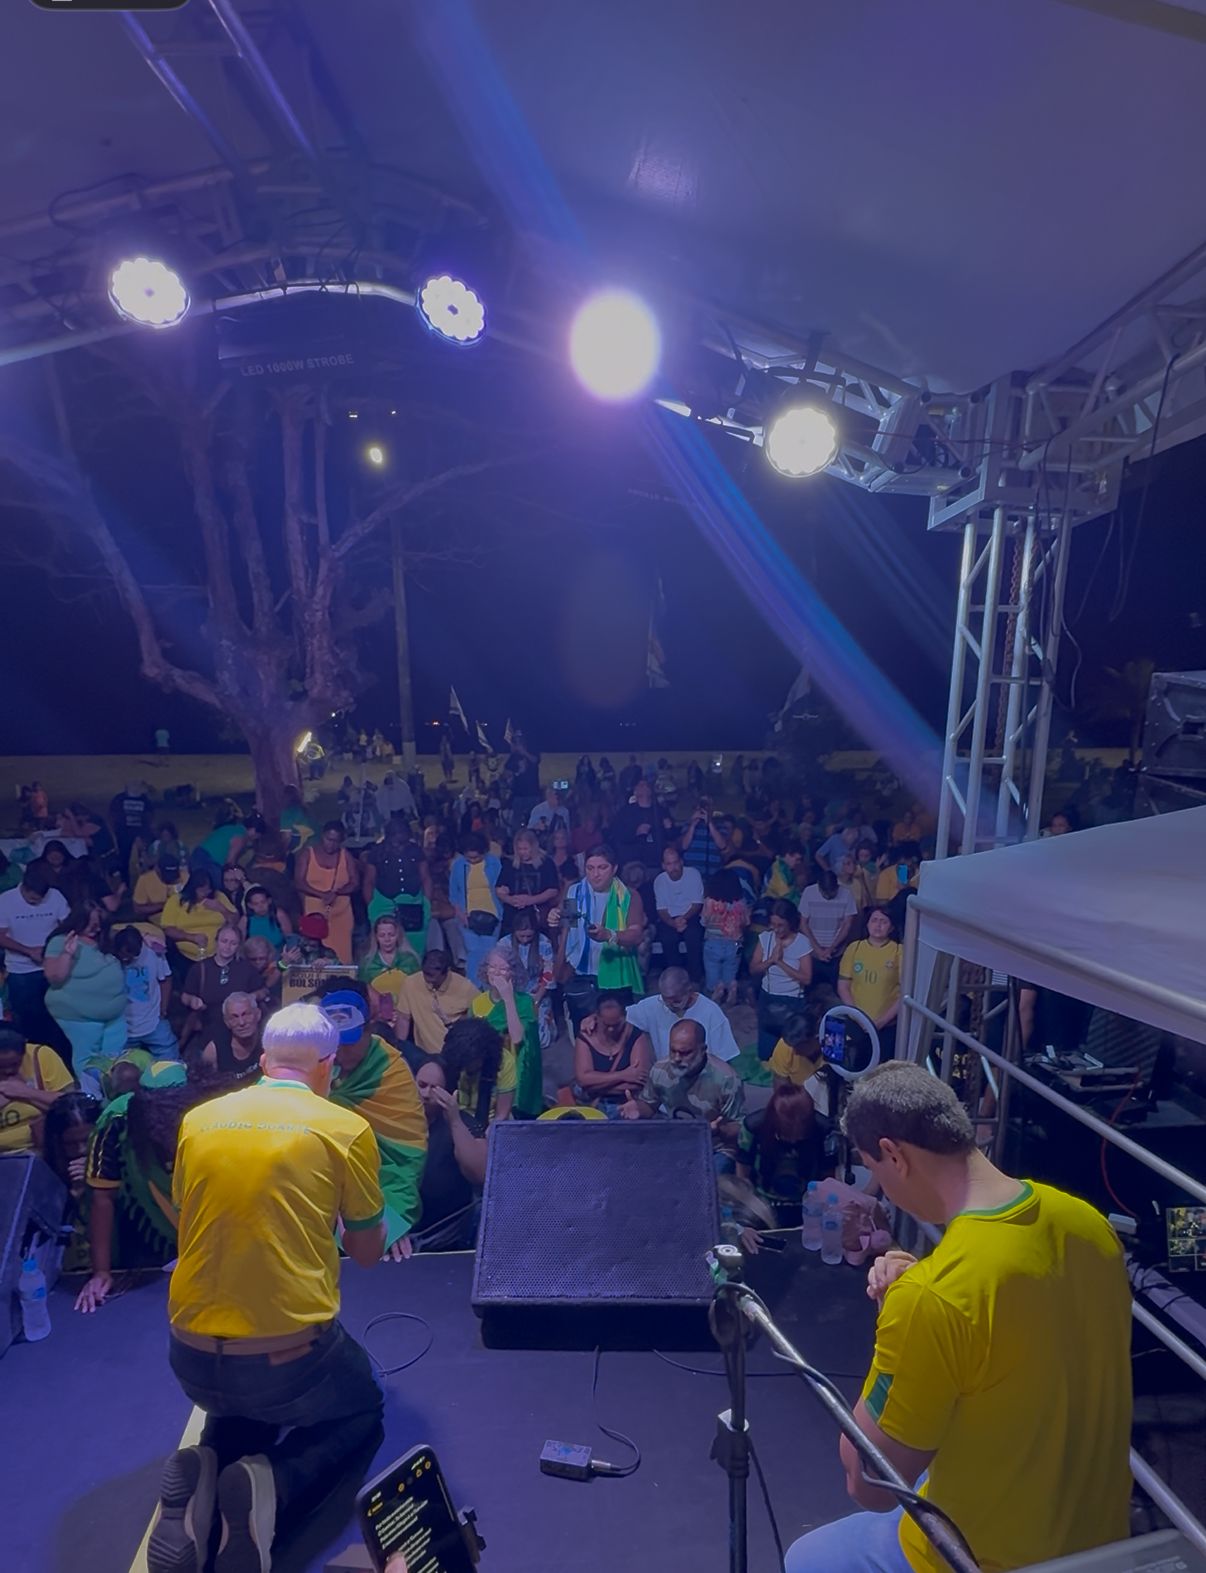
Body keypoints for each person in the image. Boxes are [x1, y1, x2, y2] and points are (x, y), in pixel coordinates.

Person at [784, 1062, 1132, 1573]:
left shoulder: (930, 1298)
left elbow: (869, 1484)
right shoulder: (1089, 1224)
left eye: (874, 1169)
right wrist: (922, 1292)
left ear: (894, 1155)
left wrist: (899, 1320)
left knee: (806, 1558)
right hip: (1101, 1542)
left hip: (985, 1558)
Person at [150, 1004, 386, 1573]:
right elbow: (367, 1253)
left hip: (189, 1357)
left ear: (262, 1062)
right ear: (328, 1066)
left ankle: (207, 1470)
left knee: (240, 1408)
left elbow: (190, 1218)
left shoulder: (198, 1121)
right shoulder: (345, 1129)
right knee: (363, 1407)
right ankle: (274, 1484)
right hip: (289, 1362)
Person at [74, 1061, 223, 1312]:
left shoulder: (215, 1114)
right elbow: (102, 1197)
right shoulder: (116, 1120)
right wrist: (101, 1272)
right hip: (147, 1231)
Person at [316, 982, 427, 1259]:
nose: (342, 1052)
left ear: (368, 1029)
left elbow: (405, 1155)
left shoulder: (390, 1070)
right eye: (334, 1044)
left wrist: (387, 1220)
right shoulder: (307, 1066)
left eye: (350, 1041)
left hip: (379, 1194)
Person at [621, 1019, 744, 1173]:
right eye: (673, 1051)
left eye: (685, 1053)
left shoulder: (727, 1079)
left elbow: (740, 1129)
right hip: (676, 1142)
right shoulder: (660, 1070)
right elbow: (650, 1105)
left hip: (715, 1148)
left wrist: (718, 1129)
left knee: (708, 1180)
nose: (677, 1058)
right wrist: (639, 1108)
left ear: (702, 1050)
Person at [555, 844, 645, 1031]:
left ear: (614, 868)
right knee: (584, 1034)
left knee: (617, 1032)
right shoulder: (574, 891)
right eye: (590, 868)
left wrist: (610, 935)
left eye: (602, 868)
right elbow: (568, 928)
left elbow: (636, 935)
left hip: (616, 974)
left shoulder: (629, 895)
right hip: (581, 972)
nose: (595, 874)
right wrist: (555, 918)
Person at [43, 901, 128, 1098]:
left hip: (114, 1016)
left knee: (114, 1059)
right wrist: (67, 954)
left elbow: (128, 932)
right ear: (79, 920)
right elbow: (55, 977)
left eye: (99, 924)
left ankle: (112, 1098)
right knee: (88, 1060)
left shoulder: (105, 939)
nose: (95, 929)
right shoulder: (60, 941)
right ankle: (91, 1100)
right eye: (91, 924)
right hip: (79, 1016)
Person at [412, 1056, 489, 1250]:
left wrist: (454, 1120)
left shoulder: (464, 1123)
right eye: (421, 1085)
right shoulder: (396, 1118)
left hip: (446, 1238)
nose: (426, 1094)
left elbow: (480, 1174)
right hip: (399, 1232)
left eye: (434, 1088)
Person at [0, 860, 71, 1057]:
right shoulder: (5, 901)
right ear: (24, 887)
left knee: (59, 1019)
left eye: (40, 900)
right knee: (29, 1021)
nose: (36, 903)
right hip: (21, 972)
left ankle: (61, 1060)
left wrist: (51, 949)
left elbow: (67, 925)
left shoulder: (56, 896)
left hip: (53, 967)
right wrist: (28, 951)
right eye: (32, 899)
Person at [737, 1082, 825, 1225]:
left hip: (807, 1203)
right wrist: (751, 1204)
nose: (796, 1127)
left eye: (802, 1122)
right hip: (763, 1201)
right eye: (790, 1124)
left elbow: (829, 1177)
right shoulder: (753, 1126)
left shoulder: (823, 1129)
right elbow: (742, 1172)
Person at [472, 945, 542, 1119]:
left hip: (515, 1073)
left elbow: (518, 1038)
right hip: (487, 1072)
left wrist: (508, 999)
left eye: (503, 969)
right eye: (492, 967)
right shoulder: (477, 1002)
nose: (496, 973)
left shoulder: (525, 1002)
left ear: (513, 973)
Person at [617, 966, 741, 1063]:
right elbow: (621, 1016)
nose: (670, 1005)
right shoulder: (654, 1005)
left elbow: (725, 1057)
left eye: (676, 1001)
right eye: (665, 1000)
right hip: (668, 1075)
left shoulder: (711, 1012)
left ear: (689, 990)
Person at [180, 924, 263, 1053]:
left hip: (240, 1033)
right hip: (209, 1033)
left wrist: (252, 997)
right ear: (216, 941)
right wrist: (192, 1001)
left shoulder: (247, 969)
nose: (227, 947)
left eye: (233, 943)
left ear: (238, 946)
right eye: (224, 941)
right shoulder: (200, 968)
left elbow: (263, 991)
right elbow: (185, 996)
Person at [751, 899, 813, 1061]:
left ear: (790, 923)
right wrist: (771, 960)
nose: (776, 929)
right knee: (766, 1054)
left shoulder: (802, 942)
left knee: (793, 1053)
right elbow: (754, 969)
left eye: (781, 925)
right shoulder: (765, 938)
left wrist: (780, 962)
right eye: (773, 924)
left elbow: (806, 978)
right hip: (768, 998)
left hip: (792, 1001)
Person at [839, 906, 903, 1059]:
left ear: (891, 927)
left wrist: (882, 1021)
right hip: (856, 1023)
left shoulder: (899, 951)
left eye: (884, 922)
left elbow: (904, 993)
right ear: (867, 924)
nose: (878, 925)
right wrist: (857, 1016)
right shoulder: (854, 948)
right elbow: (843, 985)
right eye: (874, 920)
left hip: (886, 1026)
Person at [573, 994, 653, 1115]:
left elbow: (637, 1082)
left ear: (624, 1017)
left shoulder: (635, 1036)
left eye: (616, 1025)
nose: (611, 1030)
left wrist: (594, 1086)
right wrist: (624, 1075)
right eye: (606, 1025)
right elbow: (583, 1079)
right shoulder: (586, 1038)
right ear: (596, 1018)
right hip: (594, 1105)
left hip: (625, 1104)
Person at [0, 1024, 74, 1153]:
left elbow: (73, 1105)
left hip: (40, 1149)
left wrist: (25, 1092)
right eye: (1, 1066)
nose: (8, 1071)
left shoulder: (40, 1055)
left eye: (15, 1064)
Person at [360, 817, 431, 948]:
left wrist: (426, 904)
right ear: (389, 836)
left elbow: (425, 878)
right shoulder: (376, 852)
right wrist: (372, 906)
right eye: (395, 840)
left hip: (413, 903)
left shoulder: (416, 851)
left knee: (414, 943)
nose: (398, 846)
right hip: (383, 903)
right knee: (385, 943)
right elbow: (369, 881)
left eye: (402, 841)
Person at [295, 821, 359, 965]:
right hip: (314, 912)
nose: (332, 844)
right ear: (322, 836)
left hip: (341, 913)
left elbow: (355, 883)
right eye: (329, 839)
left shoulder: (346, 856)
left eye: (336, 841)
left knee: (343, 954)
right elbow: (299, 882)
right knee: (314, 952)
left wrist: (337, 892)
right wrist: (321, 894)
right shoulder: (307, 854)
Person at [395, 949, 479, 1057]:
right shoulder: (410, 983)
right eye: (425, 975)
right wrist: (399, 1050)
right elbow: (403, 1018)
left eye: (433, 978)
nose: (429, 982)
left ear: (447, 972)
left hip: (456, 1055)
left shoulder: (466, 988)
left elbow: (480, 1017)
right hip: (425, 1055)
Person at [112, 926, 178, 1060]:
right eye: (123, 956)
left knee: (172, 1061)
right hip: (122, 1028)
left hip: (154, 1021)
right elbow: (108, 930)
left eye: (131, 956)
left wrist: (163, 1009)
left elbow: (166, 979)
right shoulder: (109, 958)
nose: (126, 959)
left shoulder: (154, 952)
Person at [449, 831, 503, 987]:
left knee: (489, 953)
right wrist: (460, 913)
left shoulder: (494, 863)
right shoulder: (458, 865)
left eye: (476, 857)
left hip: (493, 915)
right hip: (467, 917)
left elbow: (501, 886)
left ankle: (489, 988)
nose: (472, 860)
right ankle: (472, 989)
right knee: (473, 953)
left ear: (484, 852)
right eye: (469, 857)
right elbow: (453, 894)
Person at [442, 1013, 515, 1125]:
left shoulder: (505, 1061)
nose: (467, 1066)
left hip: (491, 1124)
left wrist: (482, 1134)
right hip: (456, 1120)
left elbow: (502, 1115)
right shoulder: (454, 1057)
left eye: (471, 1061)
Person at [652, 843, 705, 981]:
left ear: (681, 862)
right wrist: (673, 923)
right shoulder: (659, 881)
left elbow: (697, 904)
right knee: (667, 939)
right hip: (670, 918)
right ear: (663, 865)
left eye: (675, 862)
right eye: (669, 864)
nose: (673, 867)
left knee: (694, 936)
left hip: (691, 915)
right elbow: (661, 910)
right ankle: (675, 979)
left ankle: (695, 978)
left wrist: (684, 919)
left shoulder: (693, 874)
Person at [162, 870, 238, 965]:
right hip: (187, 957)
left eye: (209, 890)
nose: (206, 893)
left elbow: (235, 920)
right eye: (202, 891)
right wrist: (191, 937)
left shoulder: (219, 896)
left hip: (219, 955)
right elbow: (168, 929)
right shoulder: (176, 900)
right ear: (193, 889)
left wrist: (221, 908)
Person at [798, 868, 858, 987]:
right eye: (825, 893)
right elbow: (803, 923)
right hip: (812, 952)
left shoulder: (847, 894)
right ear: (819, 887)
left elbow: (847, 924)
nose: (828, 896)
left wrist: (831, 948)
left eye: (832, 893)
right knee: (809, 989)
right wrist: (817, 949)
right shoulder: (808, 892)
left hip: (836, 953)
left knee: (839, 987)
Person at [495, 827, 560, 934]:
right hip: (512, 917)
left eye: (525, 849)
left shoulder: (546, 863)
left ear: (534, 847)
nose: (522, 852)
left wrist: (531, 900)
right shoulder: (509, 864)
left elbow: (553, 890)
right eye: (519, 849)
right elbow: (499, 889)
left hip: (537, 918)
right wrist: (510, 899)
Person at [700, 867, 750, 1005]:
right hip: (734, 944)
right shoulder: (740, 902)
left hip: (712, 942)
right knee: (730, 969)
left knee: (712, 969)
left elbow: (704, 921)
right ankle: (731, 986)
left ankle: (716, 989)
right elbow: (746, 922)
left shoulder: (709, 902)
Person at [358, 912, 421, 1017]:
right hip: (378, 1017)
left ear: (398, 935)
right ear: (376, 937)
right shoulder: (367, 964)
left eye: (391, 935)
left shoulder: (410, 960)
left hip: (408, 1014)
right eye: (382, 935)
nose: (387, 940)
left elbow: (419, 990)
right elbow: (363, 993)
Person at [198, 993, 265, 1088]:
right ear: (227, 1022)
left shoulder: (270, 1043)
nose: (241, 1022)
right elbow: (204, 1090)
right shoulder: (213, 1051)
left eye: (246, 1014)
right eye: (234, 1017)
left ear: (258, 1014)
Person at [610, 778, 672, 874]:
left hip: (657, 863)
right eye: (641, 785)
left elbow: (671, 837)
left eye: (647, 785)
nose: (645, 788)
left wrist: (669, 828)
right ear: (635, 791)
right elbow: (617, 835)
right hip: (634, 864)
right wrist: (635, 833)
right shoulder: (625, 812)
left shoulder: (660, 811)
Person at [110, 781, 155, 881]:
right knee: (124, 858)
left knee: (144, 857)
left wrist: (144, 834)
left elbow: (149, 818)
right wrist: (117, 830)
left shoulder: (145, 800)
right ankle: (125, 882)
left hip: (141, 833)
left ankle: (147, 880)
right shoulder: (119, 799)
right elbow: (114, 816)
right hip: (124, 833)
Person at [680, 796, 729, 878]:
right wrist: (693, 825)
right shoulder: (688, 824)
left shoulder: (720, 825)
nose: (705, 808)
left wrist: (710, 823)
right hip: (692, 874)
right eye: (702, 804)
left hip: (714, 874)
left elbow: (722, 845)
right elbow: (684, 846)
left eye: (708, 805)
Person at [133, 850, 185, 924]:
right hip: (159, 920)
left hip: (184, 917)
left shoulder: (185, 876)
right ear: (157, 869)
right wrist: (165, 905)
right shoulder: (145, 879)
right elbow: (138, 909)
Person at [241, 883, 292, 951]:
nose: (260, 907)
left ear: (269, 901)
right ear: (250, 905)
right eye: (256, 904)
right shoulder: (245, 920)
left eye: (263, 902)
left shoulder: (279, 914)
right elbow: (240, 944)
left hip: (280, 954)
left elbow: (290, 939)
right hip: (254, 955)